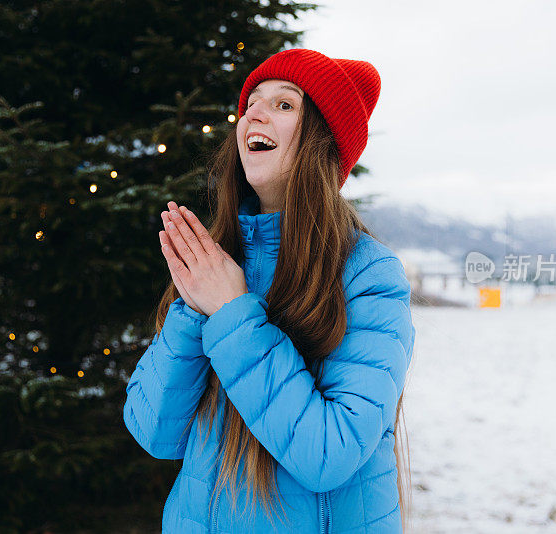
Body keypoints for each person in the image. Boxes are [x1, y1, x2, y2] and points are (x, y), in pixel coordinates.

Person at [123, 48, 417, 533]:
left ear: (323, 141)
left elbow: (330, 452)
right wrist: (196, 308)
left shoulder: (369, 274)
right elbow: (154, 431)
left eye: (284, 104)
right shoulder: (219, 262)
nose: (254, 113)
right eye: (251, 103)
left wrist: (232, 312)